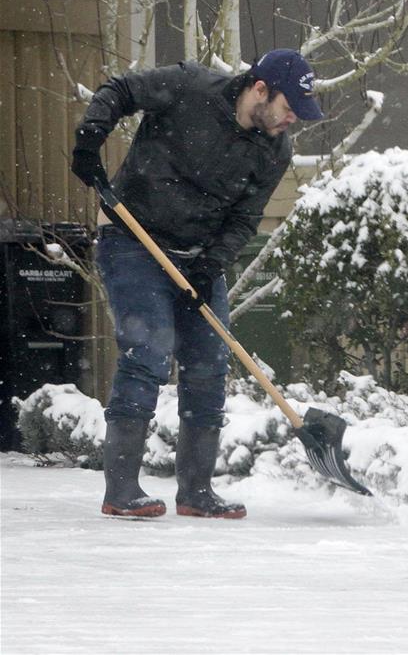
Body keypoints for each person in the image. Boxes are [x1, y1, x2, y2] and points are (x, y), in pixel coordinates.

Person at [72, 49, 323, 519]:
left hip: (197, 258)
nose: (293, 120)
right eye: (290, 108)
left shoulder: (275, 148)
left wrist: (212, 265)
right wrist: (90, 138)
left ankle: (195, 492)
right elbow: (121, 91)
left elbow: (245, 218)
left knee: (209, 365)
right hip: (134, 241)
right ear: (261, 88)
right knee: (148, 353)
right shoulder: (189, 86)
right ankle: (121, 490)